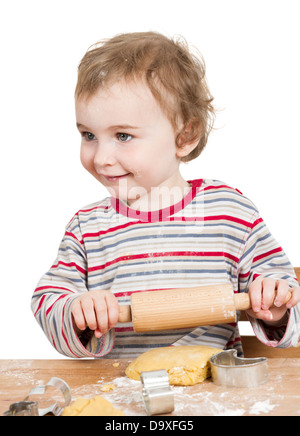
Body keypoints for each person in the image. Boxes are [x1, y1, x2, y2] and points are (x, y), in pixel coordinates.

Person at [32, 32, 300, 359]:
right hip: (124, 394)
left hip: (217, 393)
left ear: (185, 136)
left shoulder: (230, 214)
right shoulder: (88, 229)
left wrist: (275, 305)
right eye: (89, 135)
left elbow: (287, 297)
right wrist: (76, 309)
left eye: (123, 135)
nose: (100, 157)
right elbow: (47, 299)